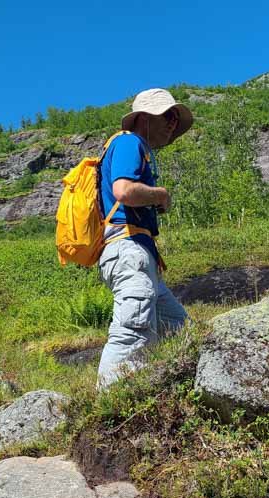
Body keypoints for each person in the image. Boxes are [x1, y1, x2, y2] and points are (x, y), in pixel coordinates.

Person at [96, 89, 194, 389]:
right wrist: (159, 194)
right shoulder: (129, 142)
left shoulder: (135, 148)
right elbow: (124, 191)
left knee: (179, 329)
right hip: (128, 251)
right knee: (133, 331)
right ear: (143, 119)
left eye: (175, 118)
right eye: (168, 116)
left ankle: (172, 395)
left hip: (137, 254)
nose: (172, 124)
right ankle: (109, 410)